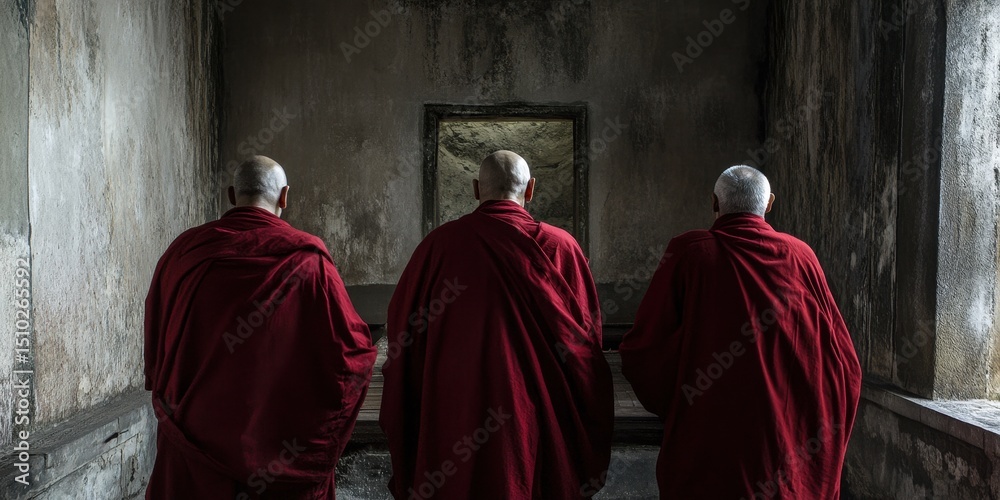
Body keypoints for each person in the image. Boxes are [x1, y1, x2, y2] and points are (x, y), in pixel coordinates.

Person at [380, 150, 614, 499]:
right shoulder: (561, 247)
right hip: (536, 418)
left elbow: (403, 329)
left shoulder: (439, 246)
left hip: (458, 412)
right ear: (531, 189)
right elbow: (587, 345)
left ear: (476, 189)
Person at [620, 165, 862, 499]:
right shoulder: (800, 255)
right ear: (770, 203)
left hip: (709, 436)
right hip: (783, 439)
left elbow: (645, 347)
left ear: (714, 202)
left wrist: (677, 402)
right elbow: (841, 358)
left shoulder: (690, 251)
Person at [143, 156, 377, 499]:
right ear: (284, 196)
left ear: (231, 195)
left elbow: (156, 331)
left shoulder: (184, 253)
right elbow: (350, 353)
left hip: (194, 439)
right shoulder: (309, 261)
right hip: (275, 443)